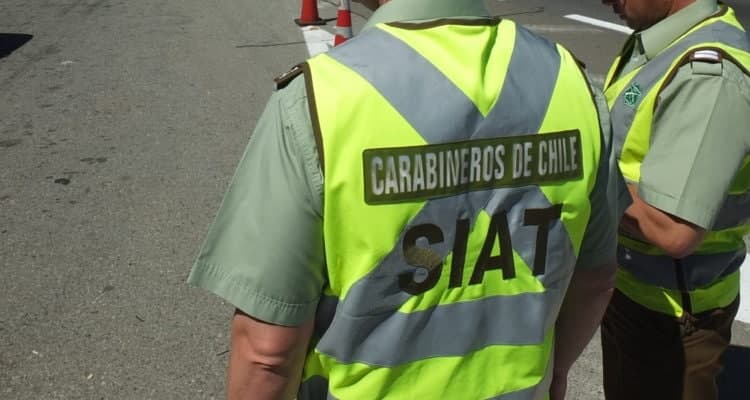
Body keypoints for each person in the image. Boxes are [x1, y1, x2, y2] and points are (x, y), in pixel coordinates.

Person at [188, 0, 628, 398]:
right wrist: (555, 373)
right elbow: (595, 279)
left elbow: (267, 353)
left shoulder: (322, 96)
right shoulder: (570, 83)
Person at [598, 0, 750, 399]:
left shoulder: (708, 76)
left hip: (674, 314)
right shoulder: (659, 43)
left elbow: (673, 230)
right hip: (632, 289)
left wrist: (583, 177)